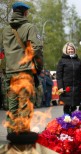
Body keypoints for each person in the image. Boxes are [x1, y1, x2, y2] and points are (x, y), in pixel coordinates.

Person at [0, 2, 43, 136]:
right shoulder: (29, 27)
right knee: (24, 104)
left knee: (12, 105)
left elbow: (4, 51)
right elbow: (37, 48)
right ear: (25, 13)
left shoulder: (6, 29)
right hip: (24, 71)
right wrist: (36, 65)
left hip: (9, 71)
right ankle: (22, 137)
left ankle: (11, 134)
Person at [56, 42, 81, 115]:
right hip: (66, 88)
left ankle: (74, 122)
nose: (70, 50)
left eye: (72, 49)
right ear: (66, 50)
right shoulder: (62, 61)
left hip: (77, 88)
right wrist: (60, 87)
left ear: (74, 50)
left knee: (74, 106)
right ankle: (66, 121)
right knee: (67, 106)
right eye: (69, 49)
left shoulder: (78, 61)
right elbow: (59, 76)